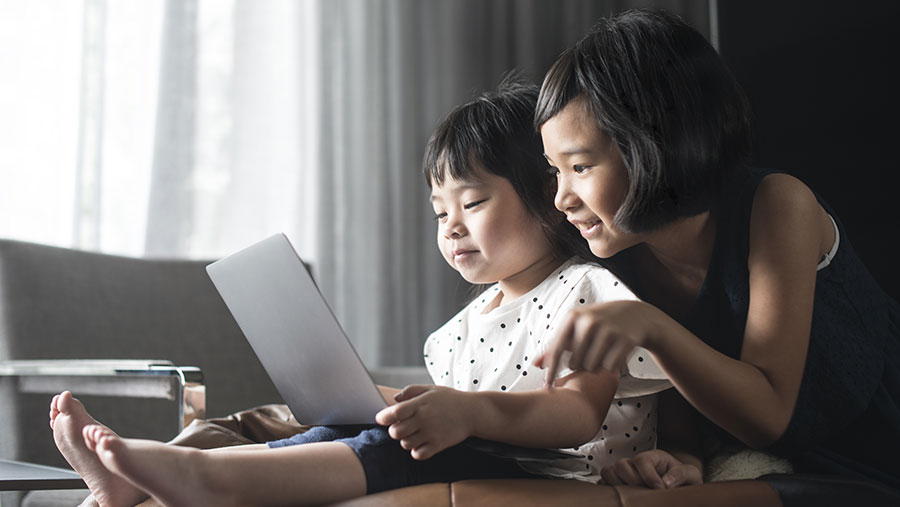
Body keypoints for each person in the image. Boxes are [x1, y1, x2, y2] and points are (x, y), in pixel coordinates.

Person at [49, 79, 678, 507]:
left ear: (549, 196)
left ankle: (206, 478)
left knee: (385, 447)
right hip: (482, 453)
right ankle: (142, 488)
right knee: (345, 432)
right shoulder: (459, 331)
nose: (452, 225)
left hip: (557, 475)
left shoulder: (586, 290)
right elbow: (450, 411)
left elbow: (575, 413)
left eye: (474, 201)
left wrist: (463, 414)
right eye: (439, 212)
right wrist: (371, 397)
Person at [532, 8, 900, 490]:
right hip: (775, 467)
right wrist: (684, 458)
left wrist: (650, 327)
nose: (561, 198)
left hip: (875, 443)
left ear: (657, 143)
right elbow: (677, 398)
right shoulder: (623, 256)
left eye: (579, 167)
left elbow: (768, 412)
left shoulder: (777, 205)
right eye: (554, 170)